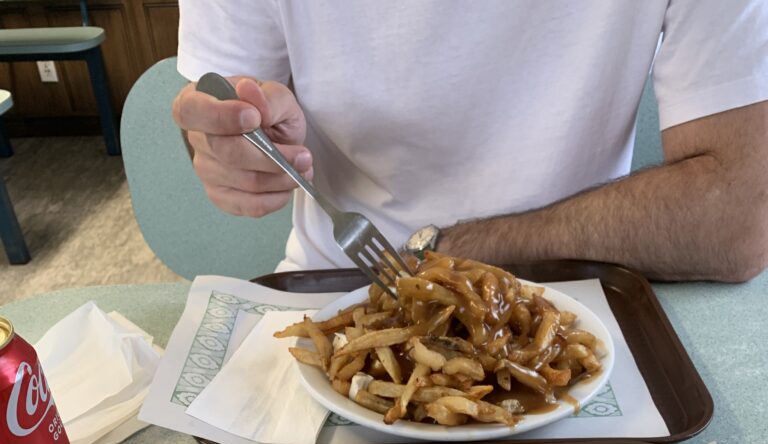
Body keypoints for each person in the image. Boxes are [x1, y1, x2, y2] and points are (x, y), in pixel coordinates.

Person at [172, 0, 768, 282]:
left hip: (584, 295)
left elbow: (740, 217)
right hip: (337, 287)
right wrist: (229, 144)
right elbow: (216, 113)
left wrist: (445, 251)